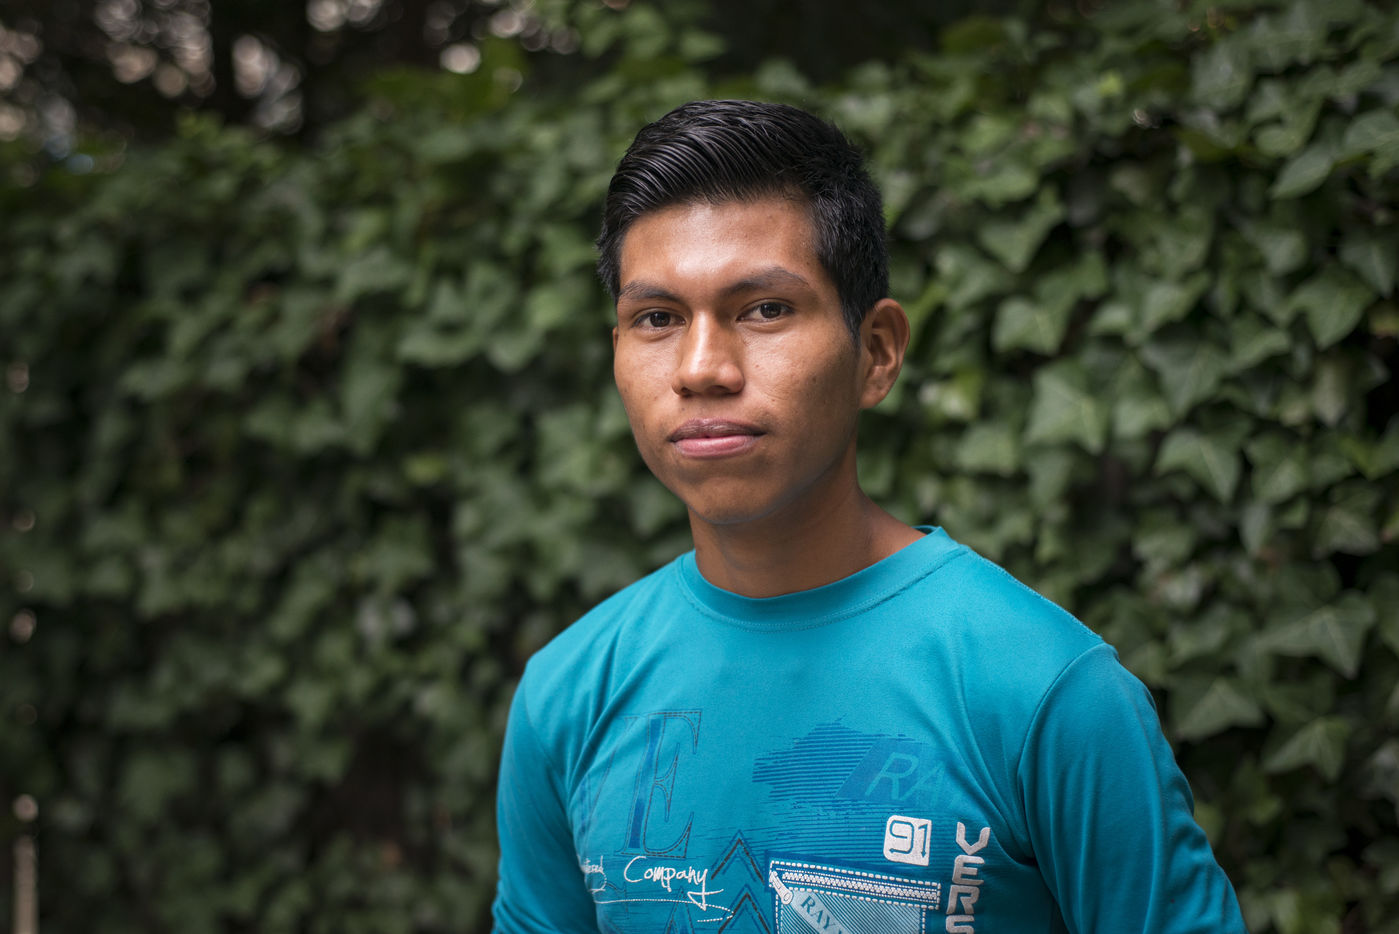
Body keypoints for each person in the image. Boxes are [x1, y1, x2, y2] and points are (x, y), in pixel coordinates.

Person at [492, 99, 1247, 934]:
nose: (701, 368)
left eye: (764, 308)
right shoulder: (567, 695)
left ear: (877, 352)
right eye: (657, 319)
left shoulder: (1044, 692)